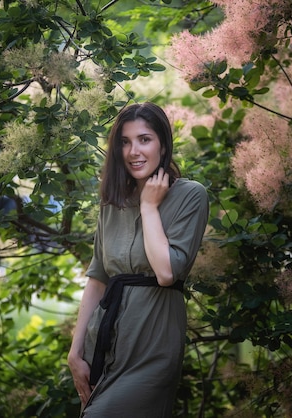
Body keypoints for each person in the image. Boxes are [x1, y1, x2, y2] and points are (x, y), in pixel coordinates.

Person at [67, 102, 209, 417]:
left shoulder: (191, 195)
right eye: (125, 142)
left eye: (145, 139)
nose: (134, 151)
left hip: (153, 347)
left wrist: (149, 206)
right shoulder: (111, 204)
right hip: (104, 343)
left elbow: (166, 272)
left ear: (163, 144)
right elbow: (98, 279)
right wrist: (75, 353)